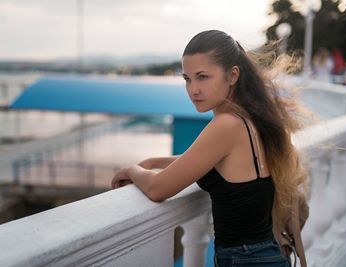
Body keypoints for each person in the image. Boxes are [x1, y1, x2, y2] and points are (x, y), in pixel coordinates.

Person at [111, 30, 309, 267]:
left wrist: (131, 170)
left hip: (246, 261)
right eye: (187, 78)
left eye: (202, 77)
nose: (193, 89)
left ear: (233, 75)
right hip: (265, 254)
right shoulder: (249, 119)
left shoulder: (225, 125)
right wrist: (154, 161)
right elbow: (205, 160)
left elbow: (157, 188)